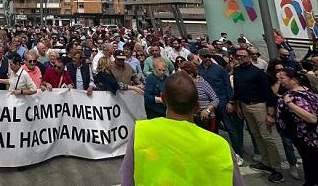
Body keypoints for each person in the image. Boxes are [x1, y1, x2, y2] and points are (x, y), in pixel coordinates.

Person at [120, 71, 243, 186]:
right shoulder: (221, 146)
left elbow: (127, 178)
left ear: (163, 99)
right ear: (197, 106)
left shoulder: (142, 131)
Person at [233, 48, 284, 183]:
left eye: (243, 56)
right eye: (238, 56)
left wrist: (269, 113)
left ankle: (277, 168)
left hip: (259, 106)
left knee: (266, 136)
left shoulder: (258, 73)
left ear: (249, 57)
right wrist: (238, 106)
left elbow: (268, 93)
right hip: (245, 105)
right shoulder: (237, 71)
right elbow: (237, 90)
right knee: (256, 135)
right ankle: (266, 162)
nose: (240, 58)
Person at [276, 68, 318, 186]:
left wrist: (289, 104)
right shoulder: (308, 92)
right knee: (309, 163)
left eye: (282, 78)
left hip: (309, 139)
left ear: (293, 80)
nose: (280, 81)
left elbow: (312, 118)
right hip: (303, 139)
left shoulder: (296, 97)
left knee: (311, 165)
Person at [179, 61, 219, 131]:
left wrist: (207, 110)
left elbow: (216, 99)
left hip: (205, 118)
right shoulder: (183, 84)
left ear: (191, 74)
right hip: (191, 118)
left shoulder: (202, 83)